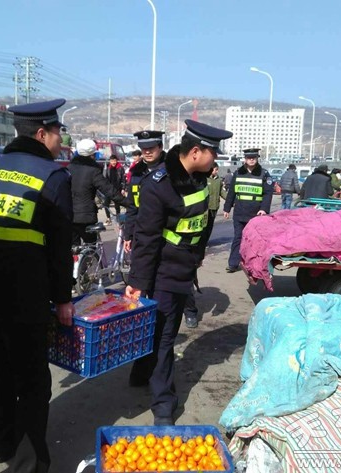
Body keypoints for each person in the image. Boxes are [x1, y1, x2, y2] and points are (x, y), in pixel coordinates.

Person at [0, 99, 75, 471]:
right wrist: (63, 299)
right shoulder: (52, 175)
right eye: (58, 132)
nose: (60, 140)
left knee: (1, 369)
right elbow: (59, 247)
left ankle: (2, 442)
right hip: (25, 297)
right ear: (42, 134)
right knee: (32, 380)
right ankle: (30, 462)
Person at [125, 119, 233, 426]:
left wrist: (197, 256)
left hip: (185, 268)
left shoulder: (199, 179)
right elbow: (146, 239)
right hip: (164, 272)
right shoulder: (158, 185)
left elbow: (202, 223)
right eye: (213, 153)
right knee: (164, 338)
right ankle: (163, 405)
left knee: (159, 331)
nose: (216, 159)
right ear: (196, 152)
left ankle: (140, 374)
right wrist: (137, 283)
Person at [183, 161, 227, 328]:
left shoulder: (200, 187)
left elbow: (200, 228)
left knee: (186, 281)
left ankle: (190, 312)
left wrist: (199, 254)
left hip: (188, 247)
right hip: (166, 246)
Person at [223, 148, 274, 273]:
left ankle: (252, 264)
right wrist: (226, 208)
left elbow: (268, 194)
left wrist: (264, 209)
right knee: (238, 238)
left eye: (253, 157)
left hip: (256, 213)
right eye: (249, 158)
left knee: (254, 240)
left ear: (257, 158)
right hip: (240, 212)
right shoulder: (238, 173)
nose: (251, 159)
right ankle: (233, 264)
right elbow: (231, 192)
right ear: (245, 159)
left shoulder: (264, 174)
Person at [67, 139, 125, 245]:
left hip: (69, 215)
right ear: (93, 155)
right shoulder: (93, 170)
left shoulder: (68, 168)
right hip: (86, 216)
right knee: (91, 247)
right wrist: (127, 203)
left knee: (73, 247)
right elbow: (109, 190)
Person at [123, 130, 166, 253]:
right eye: (144, 148)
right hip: (141, 235)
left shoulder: (172, 170)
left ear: (160, 147)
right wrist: (128, 235)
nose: (147, 152)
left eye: (151, 148)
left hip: (166, 236)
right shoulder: (136, 173)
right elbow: (132, 207)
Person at [102, 154, 126, 224]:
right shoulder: (108, 168)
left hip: (117, 189)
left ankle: (118, 218)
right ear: (110, 161)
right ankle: (108, 218)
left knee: (117, 205)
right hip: (109, 189)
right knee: (106, 204)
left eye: (114, 161)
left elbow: (123, 179)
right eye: (112, 161)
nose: (113, 162)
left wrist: (123, 188)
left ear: (117, 161)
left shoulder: (120, 168)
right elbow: (105, 178)